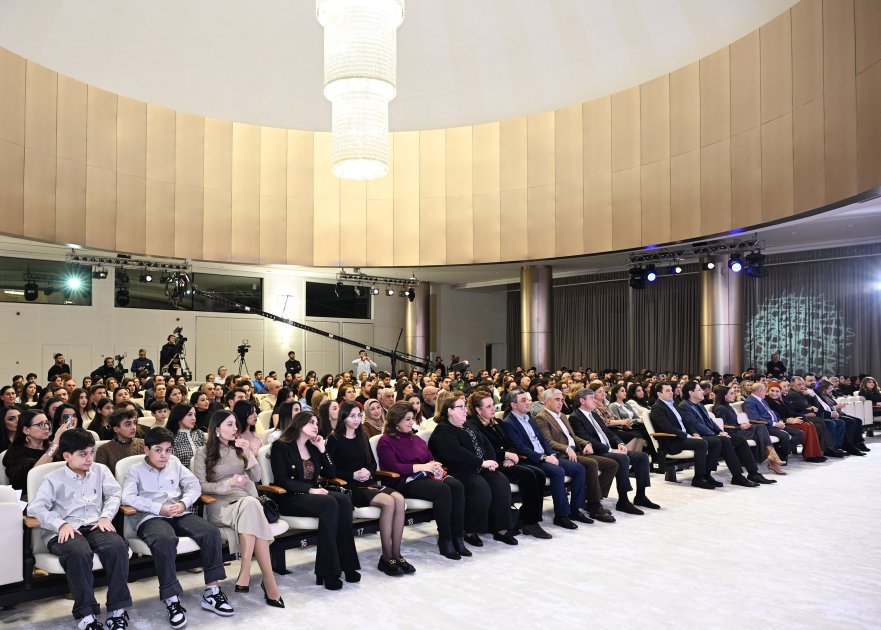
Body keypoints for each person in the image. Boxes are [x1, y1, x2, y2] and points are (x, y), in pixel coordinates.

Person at [122, 426, 234, 628]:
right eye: (158, 450)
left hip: (178, 512)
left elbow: (194, 486)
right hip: (151, 517)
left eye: (168, 450)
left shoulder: (175, 464)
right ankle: (172, 599)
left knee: (210, 532)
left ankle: (212, 592)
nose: (163, 455)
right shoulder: (134, 470)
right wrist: (158, 508)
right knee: (165, 540)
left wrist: (183, 503)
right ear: (146, 450)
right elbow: (128, 497)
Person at [27, 428, 132, 630]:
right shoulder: (53, 478)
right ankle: (87, 617)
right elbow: (35, 508)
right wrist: (60, 524)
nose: (89, 458)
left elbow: (114, 495)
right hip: (65, 529)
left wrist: (106, 516)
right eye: (83, 454)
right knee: (79, 553)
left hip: (95, 524)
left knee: (118, 547)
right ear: (67, 456)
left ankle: (117, 611)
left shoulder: (101, 471)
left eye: (91, 452)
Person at [192, 410, 284, 607]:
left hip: (245, 502)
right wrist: (229, 483)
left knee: (251, 504)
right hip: (219, 505)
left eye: (235, 424)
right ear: (217, 429)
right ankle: (267, 582)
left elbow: (257, 477)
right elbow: (201, 486)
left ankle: (247, 573)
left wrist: (248, 452)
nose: (235, 428)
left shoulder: (239, 448)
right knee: (252, 506)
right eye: (230, 425)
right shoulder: (203, 453)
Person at [270, 410, 361, 589]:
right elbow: (282, 480)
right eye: (311, 422)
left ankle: (347, 565)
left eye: (317, 423)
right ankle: (327, 571)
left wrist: (322, 449)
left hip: (312, 495)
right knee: (329, 503)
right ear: (299, 424)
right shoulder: (280, 446)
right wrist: (310, 489)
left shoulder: (313, 446)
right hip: (290, 497)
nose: (316, 426)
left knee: (343, 500)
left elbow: (331, 473)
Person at [326, 402, 413, 576]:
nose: (357, 419)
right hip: (350, 487)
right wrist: (352, 475)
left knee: (399, 499)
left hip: (368, 482)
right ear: (344, 417)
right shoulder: (335, 439)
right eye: (352, 416)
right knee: (388, 502)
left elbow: (372, 463)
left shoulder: (362, 436)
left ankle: (397, 553)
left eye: (359, 415)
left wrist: (368, 471)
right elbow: (328, 472)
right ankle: (386, 557)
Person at [377, 401, 469, 559]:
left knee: (456, 485)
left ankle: (458, 536)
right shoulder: (385, 441)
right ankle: (445, 539)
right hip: (403, 482)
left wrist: (437, 469)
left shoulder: (417, 439)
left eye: (412, 419)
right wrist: (423, 467)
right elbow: (393, 467)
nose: (411, 422)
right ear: (396, 421)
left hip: (425, 477)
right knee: (442, 490)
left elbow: (430, 460)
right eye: (407, 419)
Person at [428, 391, 517, 546]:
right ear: (450, 411)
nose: (465, 410)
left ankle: (501, 529)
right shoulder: (443, 430)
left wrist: (491, 461)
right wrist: (482, 463)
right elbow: (456, 452)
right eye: (461, 407)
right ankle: (470, 531)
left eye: (465, 406)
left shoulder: (467, 425)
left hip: (479, 467)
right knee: (480, 488)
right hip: (459, 470)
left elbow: (486, 444)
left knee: (500, 482)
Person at [465, 391, 551, 539]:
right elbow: (483, 450)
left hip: (508, 461)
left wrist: (510, 455)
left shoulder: (497, 422)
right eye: (488, 406)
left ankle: (526, 517)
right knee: (528, 475)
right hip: (492, 464)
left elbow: (510, 443)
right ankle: (531, 523)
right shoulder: (473, 426)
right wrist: (505, 455)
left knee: (539, 474)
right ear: (478, 410)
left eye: (493, 405)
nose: (493, 408)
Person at [501, 389, 589, 529]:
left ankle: (575, 510)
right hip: (531, 459)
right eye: (523, 400)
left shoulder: (529, 418)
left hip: (545, 456)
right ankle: (561, 516)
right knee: (558, 471)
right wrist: (543, 457)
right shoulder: (508, 423)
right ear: (513, 404)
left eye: (528, 399)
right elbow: (520, 447)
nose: (528, 403)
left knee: (579, 468)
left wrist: (551, 454)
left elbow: (543, 440)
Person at [567, 387, 660, 512]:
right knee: (622, 458)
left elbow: (609, 432)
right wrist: (610, 450)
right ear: (582, 401)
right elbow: (587, 439)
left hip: (608, 449)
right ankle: (623, 500)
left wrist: (620, 443)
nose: (595, 400)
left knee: (642, 457)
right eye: (591, 398)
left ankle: (641, 496)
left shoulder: (593, 414)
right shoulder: (575, 417)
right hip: (596, 452)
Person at [533, 389, 617, 522]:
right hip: (562, 454)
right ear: (547, 401)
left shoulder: (562, 416)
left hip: (576, 451)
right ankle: (594, 505)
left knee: (611, 464)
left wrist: (585, 443)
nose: (561, 403)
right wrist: (566, 449)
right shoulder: (542, 417)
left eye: (562, 400)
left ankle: (592, 499)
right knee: (591, 464)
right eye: (557, 399)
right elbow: (548, 441)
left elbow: (573, 437)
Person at [677, 382, 770, 486]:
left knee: (739, 439)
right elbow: (695, 424)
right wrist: (714, 434)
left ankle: (753, 473)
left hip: (710, 434)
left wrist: (719, 431)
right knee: (725, 441)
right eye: (699, 390)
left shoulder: (699, 404)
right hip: (698, 436)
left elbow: (710, 421)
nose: (702, 391)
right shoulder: (684, 406)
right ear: (691, 393)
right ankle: (737, 476)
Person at [648, 383, 717, 490]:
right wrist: (688, 436)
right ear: (659, 394)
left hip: (682, 437)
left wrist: (694, 433)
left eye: (671, 390)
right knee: (701, 443)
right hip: (672, 440)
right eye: (667, 391)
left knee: (715, 441)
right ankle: (698, 478)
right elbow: (668, 428)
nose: (671, 392)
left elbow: (685, 422)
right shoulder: (657, 408)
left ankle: (707, 475)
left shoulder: (673, 404)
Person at [713, 385, 788, 471]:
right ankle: (772, 457)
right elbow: (721, 426)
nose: (734, 395)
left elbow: (734, 421)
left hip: (738, 429)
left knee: (761, 428)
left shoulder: (728, 406)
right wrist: (739, 426)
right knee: (761, 430)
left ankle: (772, 456)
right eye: (731, 393)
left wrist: (743, 424)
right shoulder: (721, 408)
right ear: (724, 396)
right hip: (732, 433)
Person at [4, 409, 71, 491]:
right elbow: (35, 475)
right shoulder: (16, 452)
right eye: (40, 424)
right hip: (30, 495)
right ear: (26, 430)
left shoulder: (51, 446)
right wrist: (56, 443)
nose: (46, 427)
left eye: (47, 423)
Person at [95, 409, 145, 475]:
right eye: (128, 424)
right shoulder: (104, 450)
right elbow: (101, 476)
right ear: (116, 429)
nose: (133, 427)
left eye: (134, 423)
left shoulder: (144, 444)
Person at [166, 404, 206, 469]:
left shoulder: (199, 433)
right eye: (189, 415)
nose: (194, 418)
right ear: (179, 416)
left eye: (194, 415)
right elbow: (172, 464)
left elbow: (209, 455)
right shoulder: (170, 438)